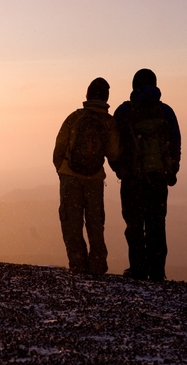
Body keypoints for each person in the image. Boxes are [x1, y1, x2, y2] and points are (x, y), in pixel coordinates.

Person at [112, 69, 180, 282]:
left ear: (134, 86)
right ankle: (157, 271)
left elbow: (114, 145)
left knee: (134, 225)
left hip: (132, 179)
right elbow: (175, 143)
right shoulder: (165, 111)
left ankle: (138, 269)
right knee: (157, 225)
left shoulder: (124, 111)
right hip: (158, 178)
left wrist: (119, 169)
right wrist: (172, 171)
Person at [53, 78, 120, 275]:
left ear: (87, 95)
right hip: (95, 180)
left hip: (70, 177)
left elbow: (59, 148)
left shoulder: (74, 117)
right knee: (95, 224)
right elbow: (114, 153)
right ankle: (98, 267)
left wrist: (63, 170)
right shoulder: (109, 122)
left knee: (71, 223)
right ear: (106, 98)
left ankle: (78, 266)